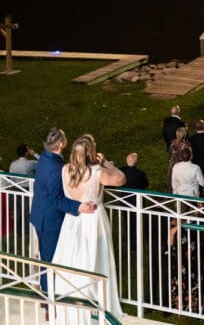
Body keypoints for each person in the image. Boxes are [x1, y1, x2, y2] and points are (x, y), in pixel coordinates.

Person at [52, 133, 126, 323]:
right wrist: (106, 163)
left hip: (72, 219)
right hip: (93, 220)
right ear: (91, 152)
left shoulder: (65, 170)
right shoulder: (96, 172)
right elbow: (120, 179)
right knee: (96, 261)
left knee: (73, 261)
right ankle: (97, 308)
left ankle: (71, 307)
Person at [29, 128, 96, 292]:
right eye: (64, 136)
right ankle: (49, 301)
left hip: (41, 215)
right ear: (60, 144)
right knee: (51, 262)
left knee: (47, 260)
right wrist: (79, 206)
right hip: (50, 221)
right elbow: (56, 198)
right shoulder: (54, 168)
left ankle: (50, 296)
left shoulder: (46, 157)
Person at [167, 126, 192, 191]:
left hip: (173, 165)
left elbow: (169, 153)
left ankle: (170, 195)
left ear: (176, 134)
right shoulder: (187, 145)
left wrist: (170, 160)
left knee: (171, 181)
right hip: (183, 166)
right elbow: (190, 156)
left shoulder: (173, 142)